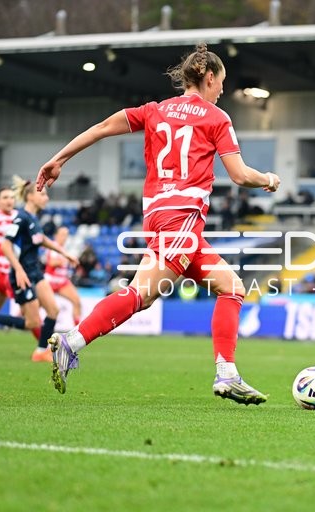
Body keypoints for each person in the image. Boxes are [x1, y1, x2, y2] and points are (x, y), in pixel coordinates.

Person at [36, 42, 280, 402]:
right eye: (221, 82)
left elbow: (103, 127)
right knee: (141, 294)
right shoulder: (217, 118)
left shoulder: (155, 110)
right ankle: (71, 342)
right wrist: (270, 179)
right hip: (181, 222)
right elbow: (240, 175)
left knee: (232, 287)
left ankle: (227, 373)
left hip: (162, 219)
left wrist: (58, 159)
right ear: (209, 78)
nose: (223, 90)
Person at [0, 177, 79, 362]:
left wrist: (64, 252)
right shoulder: (20, 218)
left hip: (35, 272)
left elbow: (42, 239)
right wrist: (19, 270)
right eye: (43, 194)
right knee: (32, 323)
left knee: (53, 310)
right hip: (22, 275)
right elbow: (6, 245)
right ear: (30, 196)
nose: (46, 198)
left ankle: (40, 352)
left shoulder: (33, 219)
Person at [44, 226, 82, 325]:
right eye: (62, 234)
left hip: (61, 282)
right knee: (34, 305)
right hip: (50, 281)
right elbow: (51, 262)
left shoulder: (63, 249)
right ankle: (15, 320)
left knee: (76, 301)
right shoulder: (53, 247)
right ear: (56, 235)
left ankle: (77, 331)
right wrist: (65, 259)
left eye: (66, 235)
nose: (64, 237)